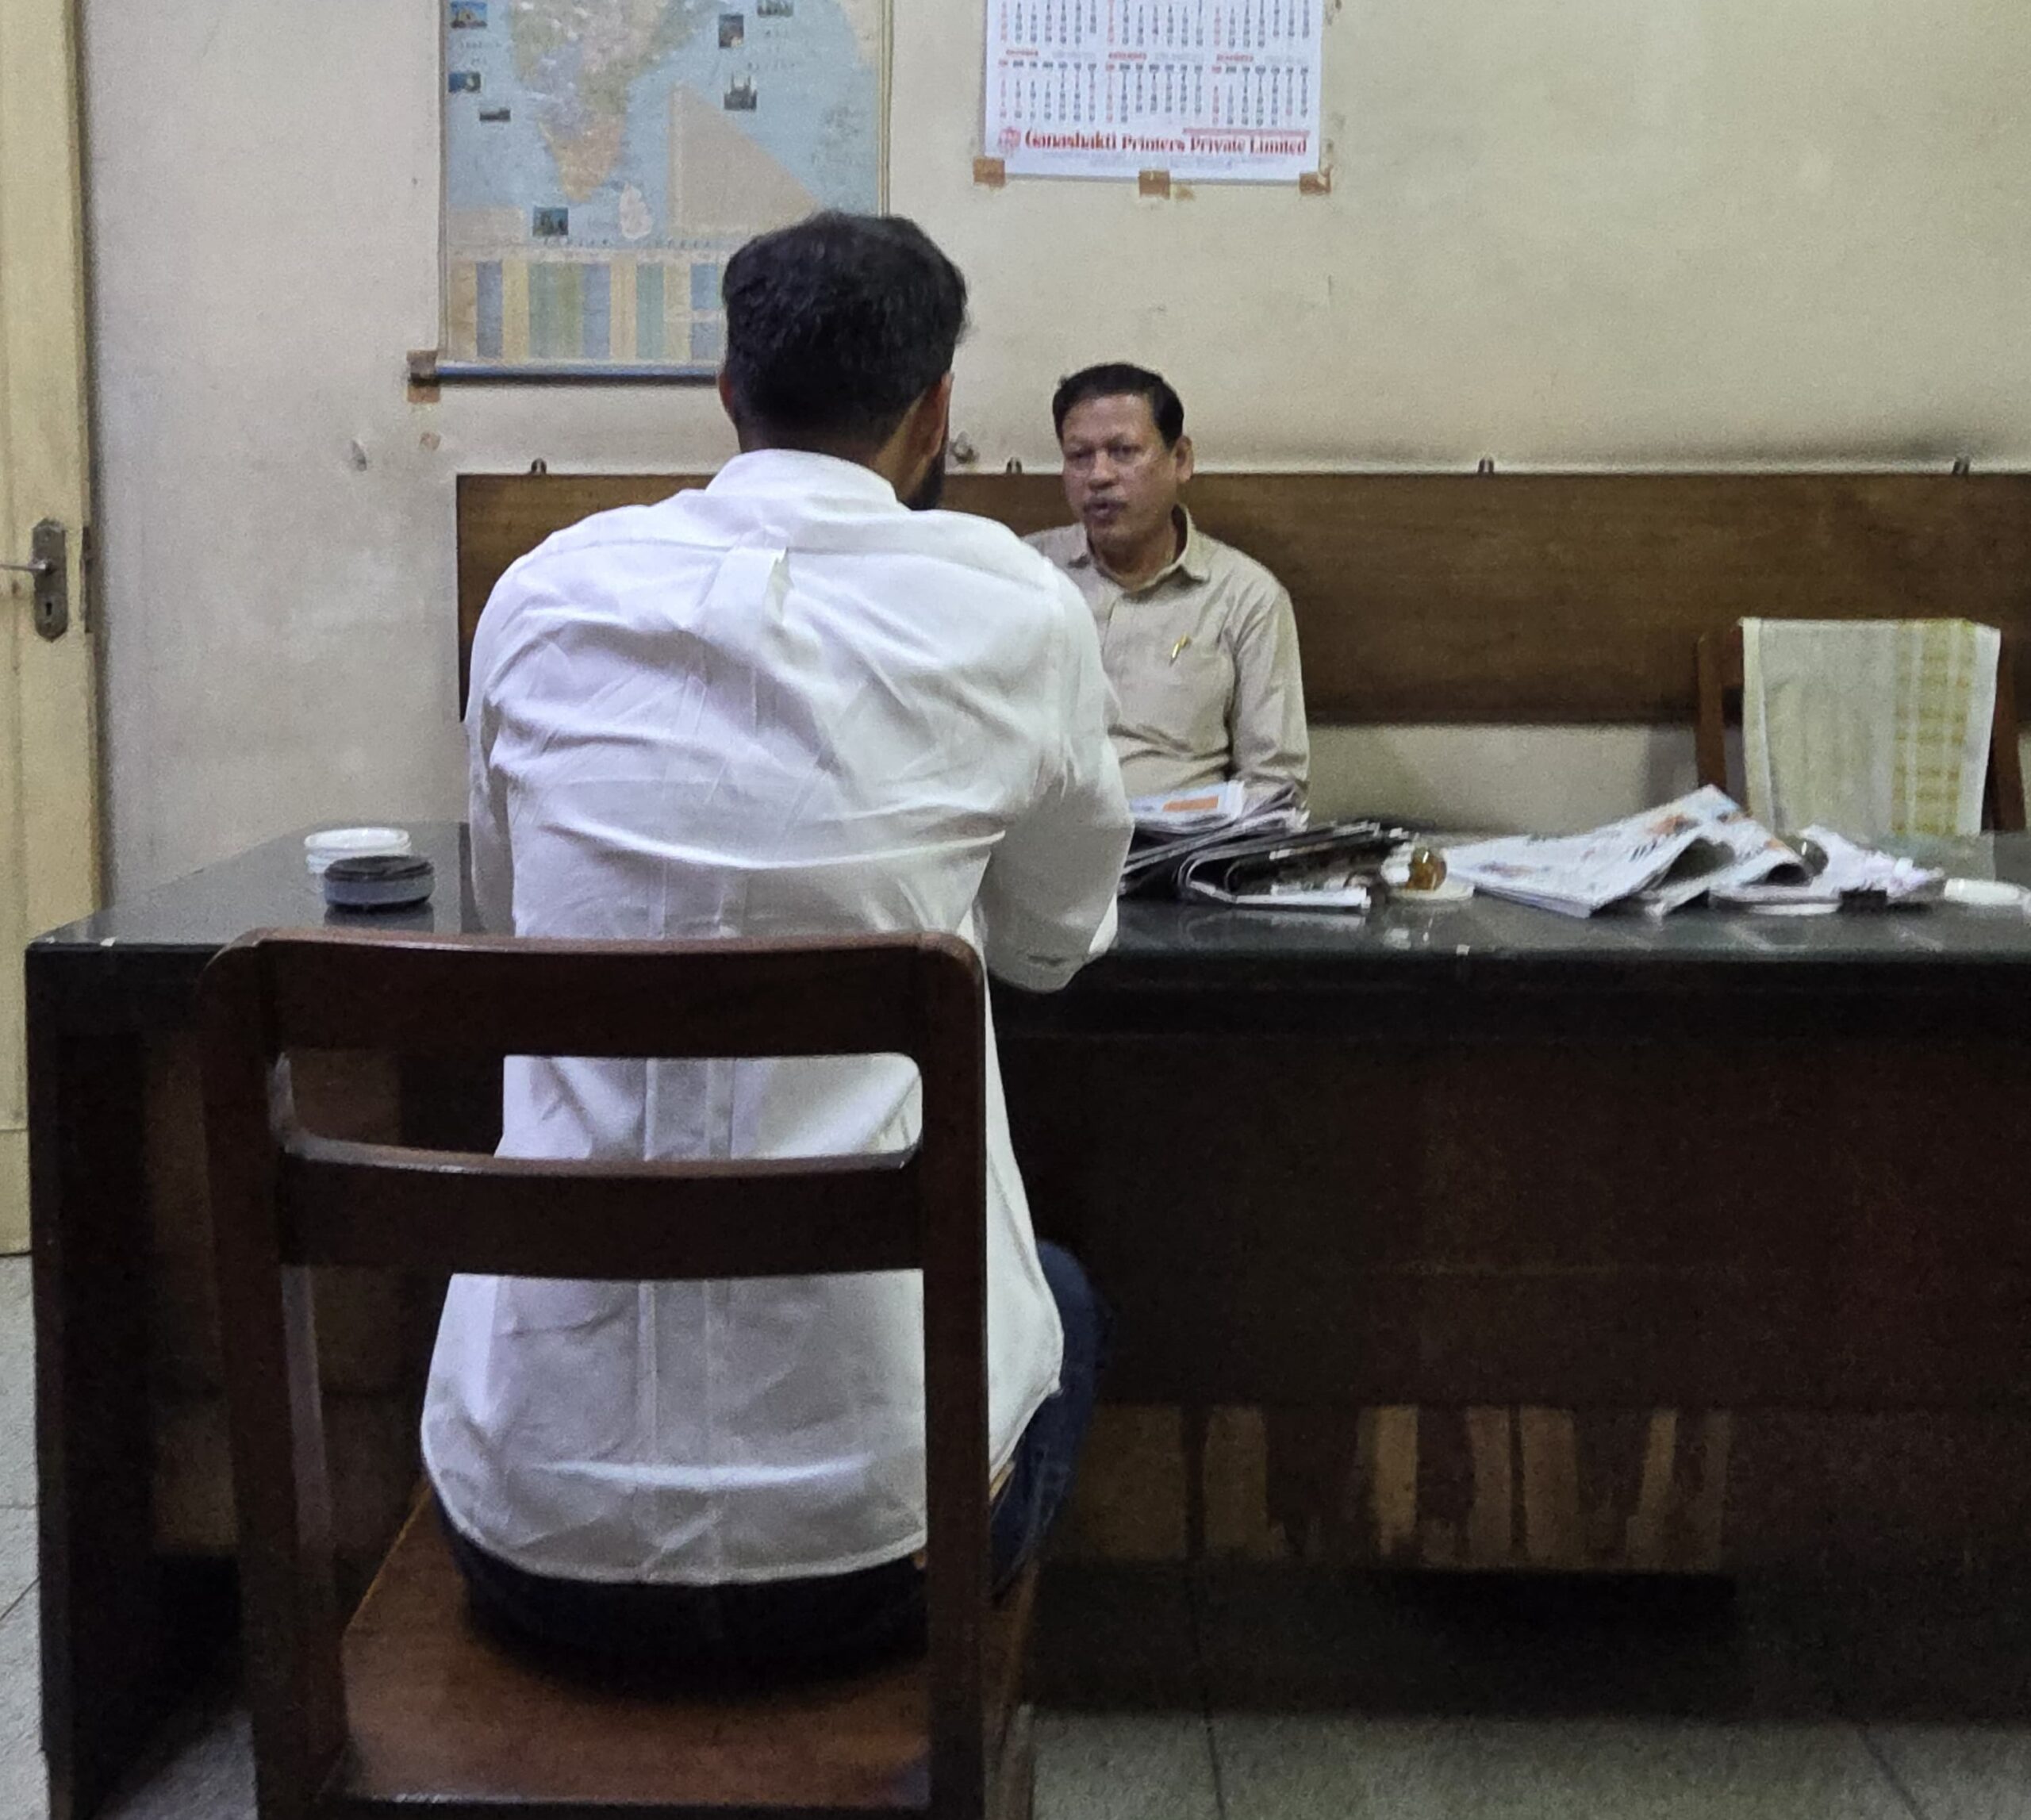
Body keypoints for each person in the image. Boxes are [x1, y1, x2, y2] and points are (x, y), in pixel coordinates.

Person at [428, 213, 1131, 1673]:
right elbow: (1056, 948)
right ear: (936, 411)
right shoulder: (1019, 606)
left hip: (529, 1534)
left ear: (728, 392)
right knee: (1061, 1292)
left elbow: (511, 918)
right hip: (882, 1555)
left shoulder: (546, 592)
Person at [1028, 363, 1310, 802]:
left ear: (1180, 460)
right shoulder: (1023, 574)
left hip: (1180, 854)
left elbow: (1275, 783)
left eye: (1123, 451)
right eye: (1079, 456)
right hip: (1041, 847)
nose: (1099, 475)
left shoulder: (1245, 597)